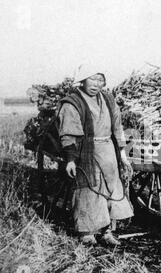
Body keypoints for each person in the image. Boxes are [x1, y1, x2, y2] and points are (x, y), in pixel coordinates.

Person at [58, 64, 134, 246]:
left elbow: (117, 126)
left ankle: (108, 230)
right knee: (89, 188)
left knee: (111, 186)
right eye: (92, 79)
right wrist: (70, 160)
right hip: (87, 150)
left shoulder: (108, 99)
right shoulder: (72, 103)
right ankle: (87, 232)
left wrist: (122, 156)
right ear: (83, 80)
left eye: (100, 80)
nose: (96, 84)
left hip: (108, 149)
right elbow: (69, 132)